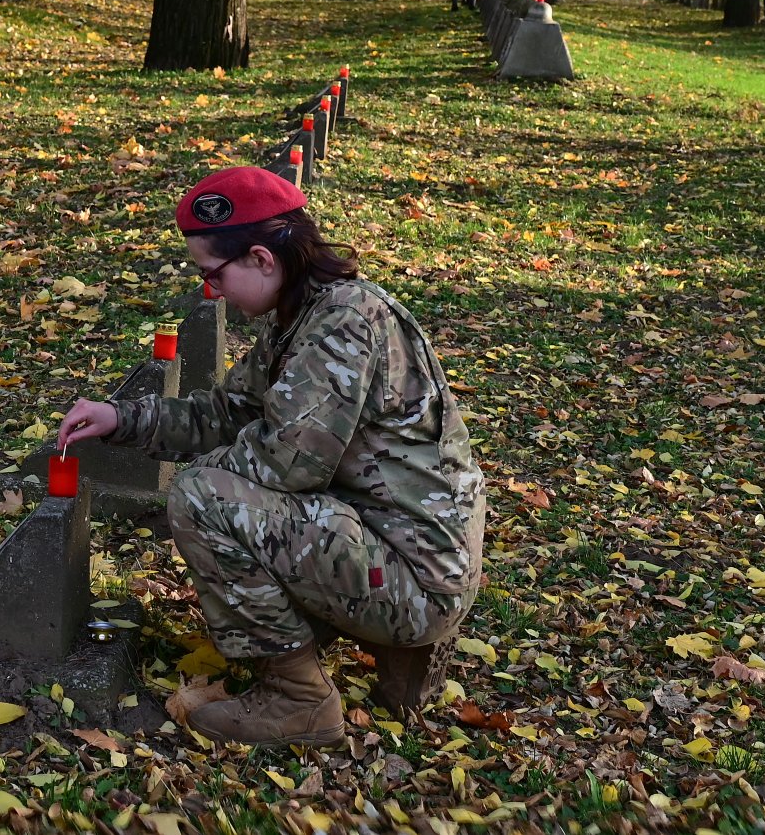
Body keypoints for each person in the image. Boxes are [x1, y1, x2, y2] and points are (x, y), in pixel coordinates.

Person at [57, 168, 486, 745]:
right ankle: (379, 645)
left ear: (261, 258)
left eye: (213, 273)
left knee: (203, 497)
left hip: (416, 580)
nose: (213, 291)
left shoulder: (342, 324)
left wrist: (208, 483)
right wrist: (124, 419)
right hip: (405, 549)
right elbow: (231, 412)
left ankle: (298, 699)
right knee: (224, 488)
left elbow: (289, 464)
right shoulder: (309, 311)